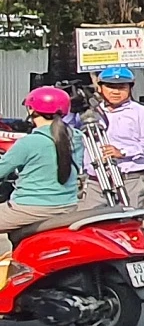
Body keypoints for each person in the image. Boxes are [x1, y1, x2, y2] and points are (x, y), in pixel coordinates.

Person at [0, 87, 83, 233]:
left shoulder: (30, 142)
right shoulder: (77, 137)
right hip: (67, 205)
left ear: (32, 110)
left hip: (29, 209)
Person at [79, 67, 144, 210]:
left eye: (121, 87)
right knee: (91, 225)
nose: (116, 92)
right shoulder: (90, 113)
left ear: (130, 87)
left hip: (129, 180)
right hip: (96, 181)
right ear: (100, 87)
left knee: (129, 223)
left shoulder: (143, 113)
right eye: (110, 86)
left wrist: (122, 152)